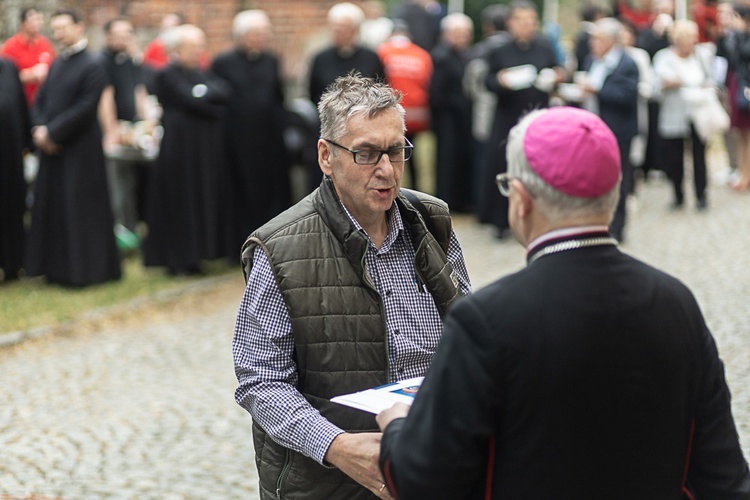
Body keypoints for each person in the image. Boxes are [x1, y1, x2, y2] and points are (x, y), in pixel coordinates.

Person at [377, 106, 750, 499]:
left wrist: (399, 425)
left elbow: (424, 479)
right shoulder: (676, 303)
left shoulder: (486, 320)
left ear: (520, 200)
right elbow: (722, 478)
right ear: (613, 192)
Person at [232, 74, 471, 500]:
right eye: (366, 153)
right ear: (326, 155)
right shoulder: (279, 247)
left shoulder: (431, 221)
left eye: (396, 151)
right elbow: (261, 380)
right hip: (330, 482)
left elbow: (470, 335)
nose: (386, 170)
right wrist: (337, 447)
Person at [26, 8, 121, 287]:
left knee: (78, 209)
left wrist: (53, 133)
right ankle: (54, 270)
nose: (58, 34)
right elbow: (40, 100)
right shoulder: (57, 63)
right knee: (52, 208)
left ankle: (83, 272)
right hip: (52, 150)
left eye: (64, 27)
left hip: (80, 150)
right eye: (54, 29)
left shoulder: (93, 64)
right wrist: (40, 130)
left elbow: (86, 106)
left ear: (79, 27)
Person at [143, 24, 231, 276]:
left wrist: (205, 96)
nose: (199, 52)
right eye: (194, 47)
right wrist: (208, 102)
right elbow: (191, 101)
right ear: (177, 50)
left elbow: (224, 92)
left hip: (200, 153)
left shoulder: (200, 73)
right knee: (180, 202)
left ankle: (197, 255)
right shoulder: (166, 74)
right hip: (178, 152)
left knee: (199, 199)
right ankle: (178, 259)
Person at [478, 0, 562, 239]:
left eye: (530, 22)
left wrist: (555, 76)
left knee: (537, 168)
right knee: (503, 166)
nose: (526, 26)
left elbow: (559, 70)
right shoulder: (499, 49)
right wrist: (502, 80)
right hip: (507, 117)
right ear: (511, 24)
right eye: (521, 21)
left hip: (537, 116)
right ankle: (500, 220)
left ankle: (537, 218)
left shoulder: (545, 46)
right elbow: (488, 81)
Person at [211, 10, 291, 251]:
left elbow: (279, 96)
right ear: (242, 36)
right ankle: (241, 242)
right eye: (257, 34)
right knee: (241, 191)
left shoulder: (272, 60)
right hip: (237, 139)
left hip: (269, 139)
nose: (262, 38)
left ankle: (275, 240)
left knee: (272, 189)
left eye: (265, 33)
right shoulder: (223, 62)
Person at [306, 2, 385, 192]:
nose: (339, 32)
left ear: (356, 29)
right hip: (330, 127)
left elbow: (381, 90)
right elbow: (312, 92)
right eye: (335, 28)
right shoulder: (320, 58)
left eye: (344, 28)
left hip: (363, 128)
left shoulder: (370, 57)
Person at [580, 17, 639, 242]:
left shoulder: (627, 63)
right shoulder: (590, 60)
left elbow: (627, 97)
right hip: (590, 129)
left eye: (597, 39)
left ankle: (617, 227)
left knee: (618, 181)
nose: (592, 43)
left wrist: (597, 90)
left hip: (618, 131)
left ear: (610, 41)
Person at [652, 20, 715, 210]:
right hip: (674, 112)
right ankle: (678, 194)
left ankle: (701, 195)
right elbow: (654, 87)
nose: (691, 43)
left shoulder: (701, 56)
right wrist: (669, 83)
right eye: (687, 39)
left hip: (698, 112)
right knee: (674, 157)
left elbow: (711, 78)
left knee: (699, 155)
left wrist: (706, 88)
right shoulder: (664, 58)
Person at [98, 17, 150, 234]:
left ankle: (132, 227)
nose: (124, 39)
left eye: (128, 34)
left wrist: (147, 122)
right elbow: (105, 97)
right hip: (115, 132)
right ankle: (118, 233)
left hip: (132, 130)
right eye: (119, 35)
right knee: (117, 185)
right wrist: (110, 131)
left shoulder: (129, 59)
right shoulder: (102, 61)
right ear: (108, 36)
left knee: (132, 182)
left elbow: (139, 91)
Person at [377, 20, 433, 190]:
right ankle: (415, 189)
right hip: (417, 114)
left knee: (390, 153)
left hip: (390, 113)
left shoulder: (382, 51)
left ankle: (391, 187)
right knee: (413, 153)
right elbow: (429, 83)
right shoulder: (422, 55)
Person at [430, 12, 475, 212]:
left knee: (462, 159)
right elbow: (437, 93)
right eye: (458, 33)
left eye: (466, 33)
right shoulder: (442, 56)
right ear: (447, 34)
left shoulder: (465, 54)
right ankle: (447, 201)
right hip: (448, 119)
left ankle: (461, 200)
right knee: (448, 161)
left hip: (463, 118)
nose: (463, 37)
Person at [0, 57, 31, 282]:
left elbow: (20, 107)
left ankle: (14, 265)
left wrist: (26, 144)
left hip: (10, 155)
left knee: (12, 206)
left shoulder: (9, 67)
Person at [0, 7, 55, 106]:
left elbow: (53, 68)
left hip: (42, 102)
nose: (38, 23)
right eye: (34, 20)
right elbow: (4, 78)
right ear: (23, 23)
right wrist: (28, 75)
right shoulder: (10, 47)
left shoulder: (45, 44)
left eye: (40, 19)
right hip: (18, 103)